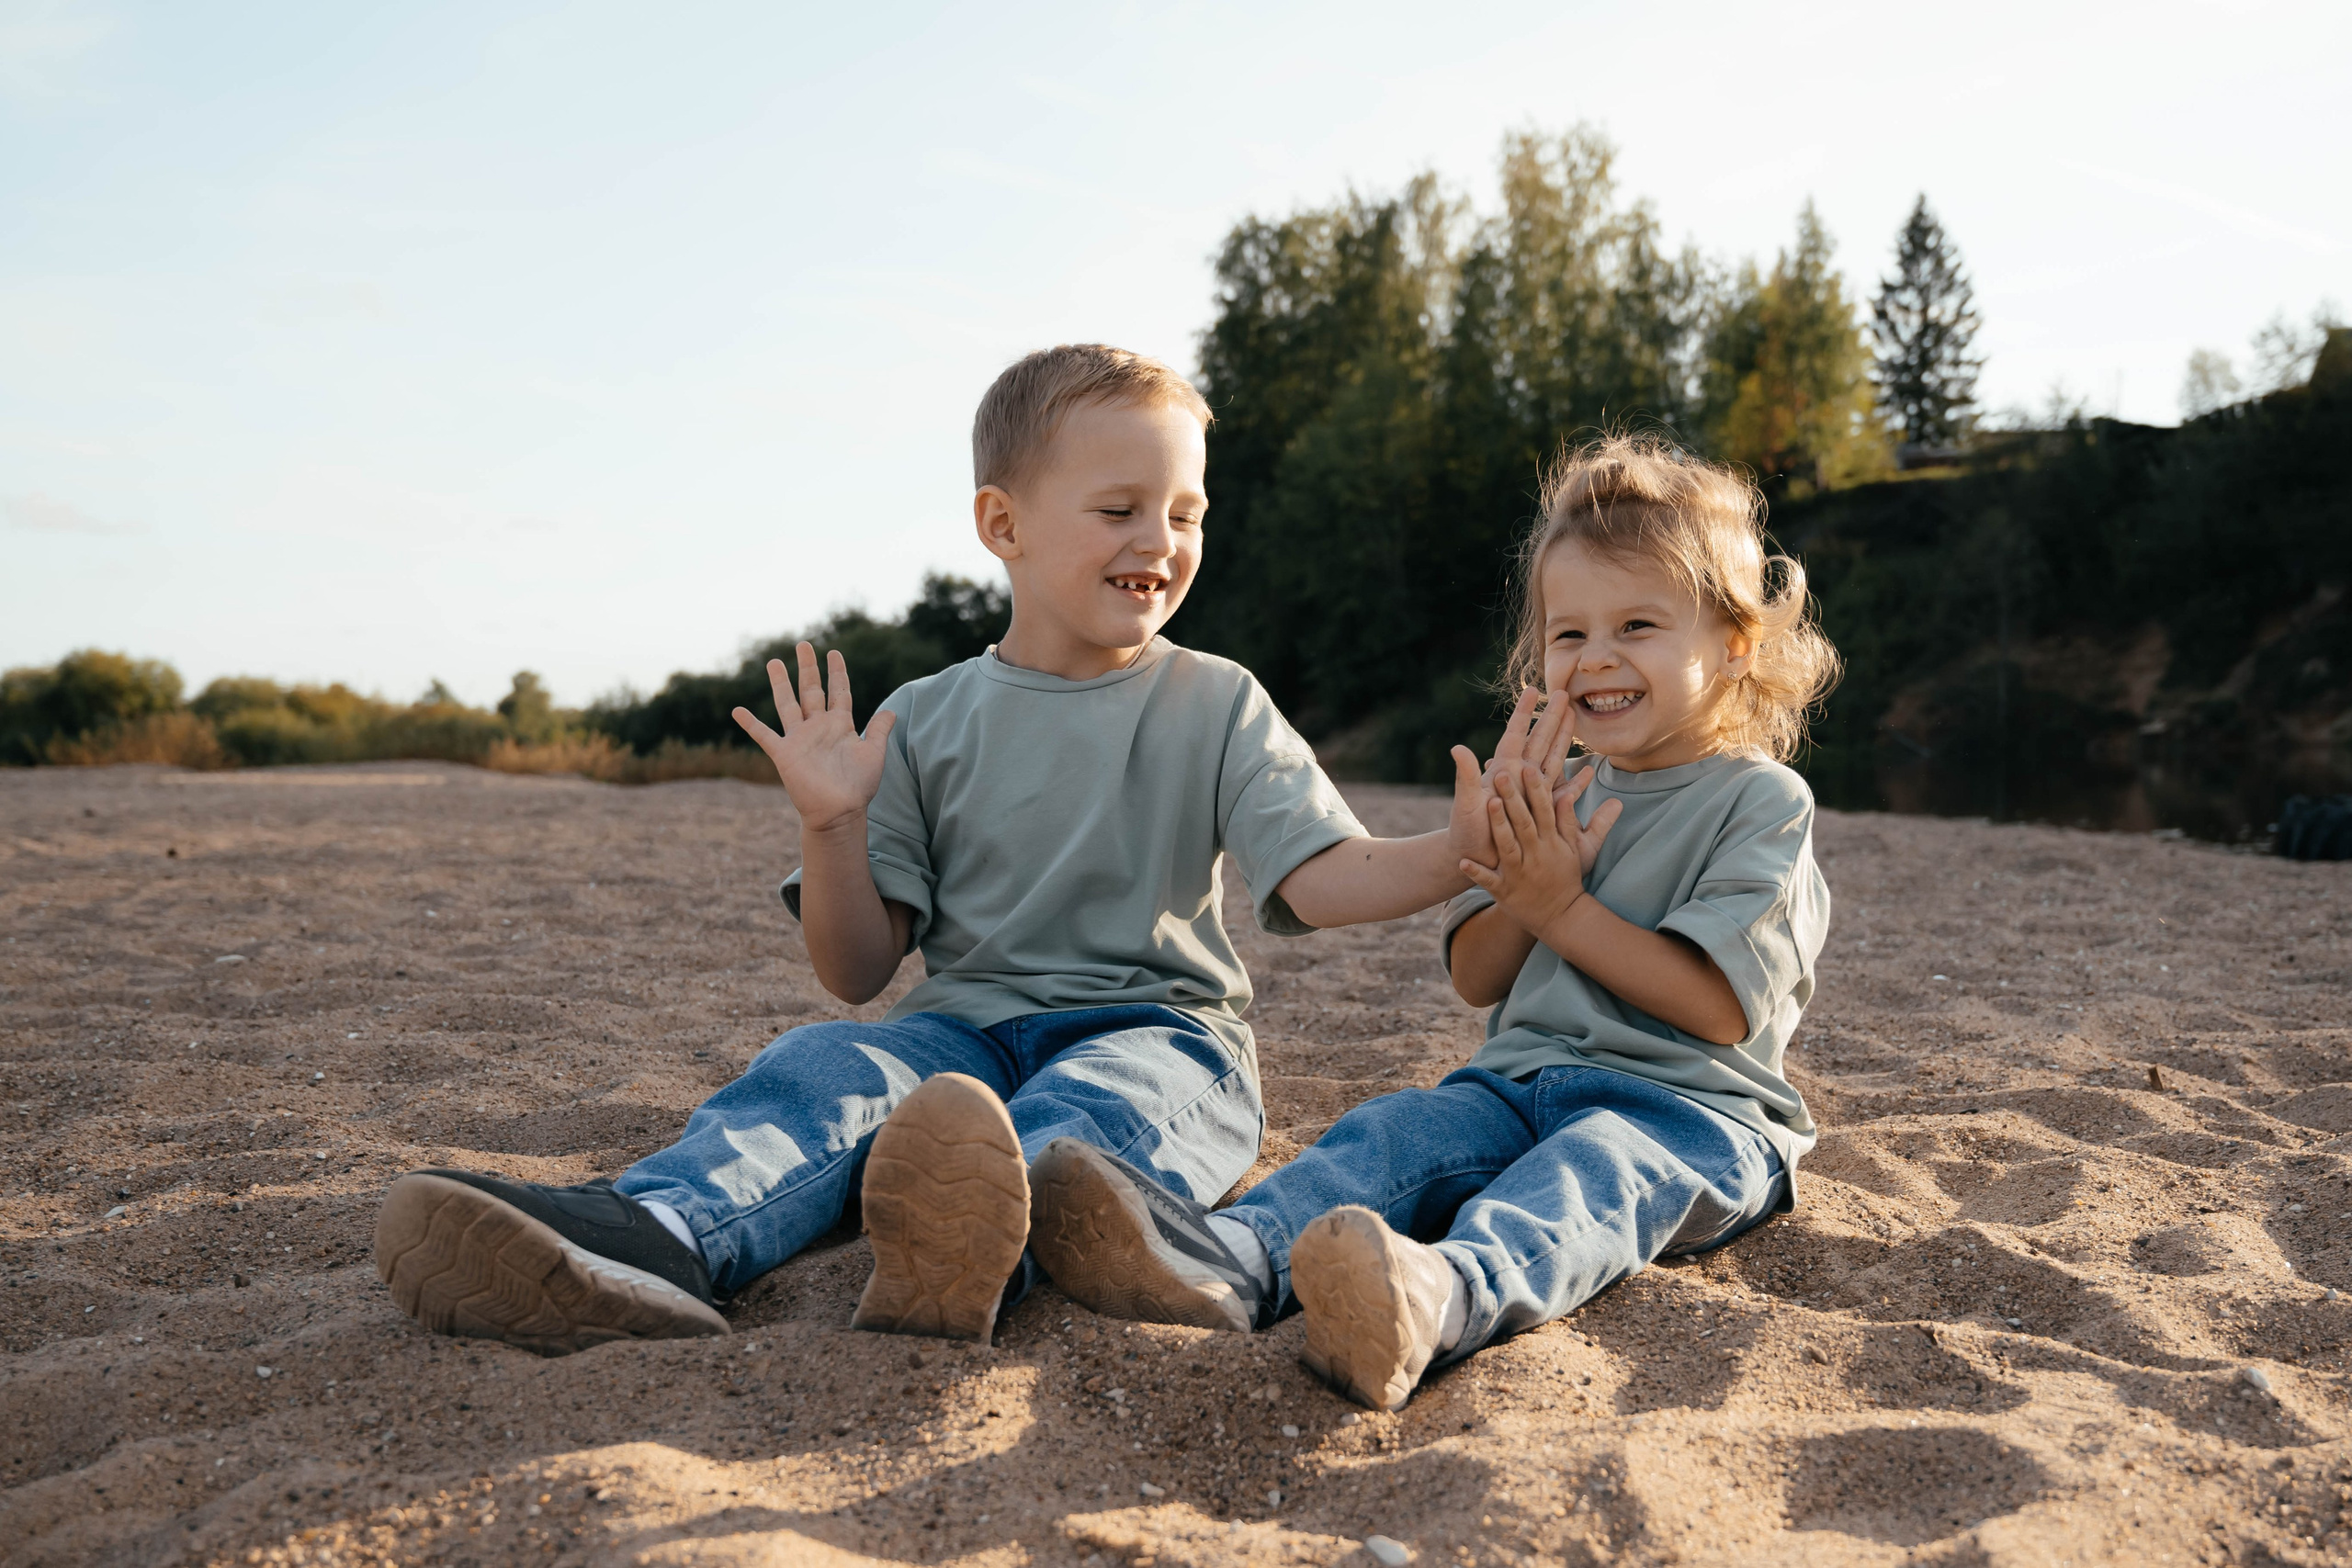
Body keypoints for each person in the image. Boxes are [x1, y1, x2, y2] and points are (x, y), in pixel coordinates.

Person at [371, 344, 1506, 1355]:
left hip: (1164, 1033)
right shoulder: (921, 716)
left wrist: (1462, 847)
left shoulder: (1217, 702)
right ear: (1003, 525)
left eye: (1185, 513)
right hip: (958, 1036)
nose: (1159, 542)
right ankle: (664, 1233)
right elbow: (859, 967)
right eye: (1119, 509)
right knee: (824, 1065)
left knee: (1091, 1115)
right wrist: (831, 824)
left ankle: (966, 1256)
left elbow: (1324, 874)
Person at [1029, 434, 1838, 1411]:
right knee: (1395, 1133)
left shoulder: (1760, 802)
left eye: (1638, 625)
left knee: (1588, 1182)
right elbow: (1476, 974)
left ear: (1732, 642)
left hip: (1687, 1113)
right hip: (1517, 1084)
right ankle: (1230, 1259)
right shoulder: (1556, 784)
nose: (1598, 659)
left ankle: (1438, 1298)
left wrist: (1562, 906)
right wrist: (1520, 885)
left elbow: (1714, 1009)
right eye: (1568, 633)